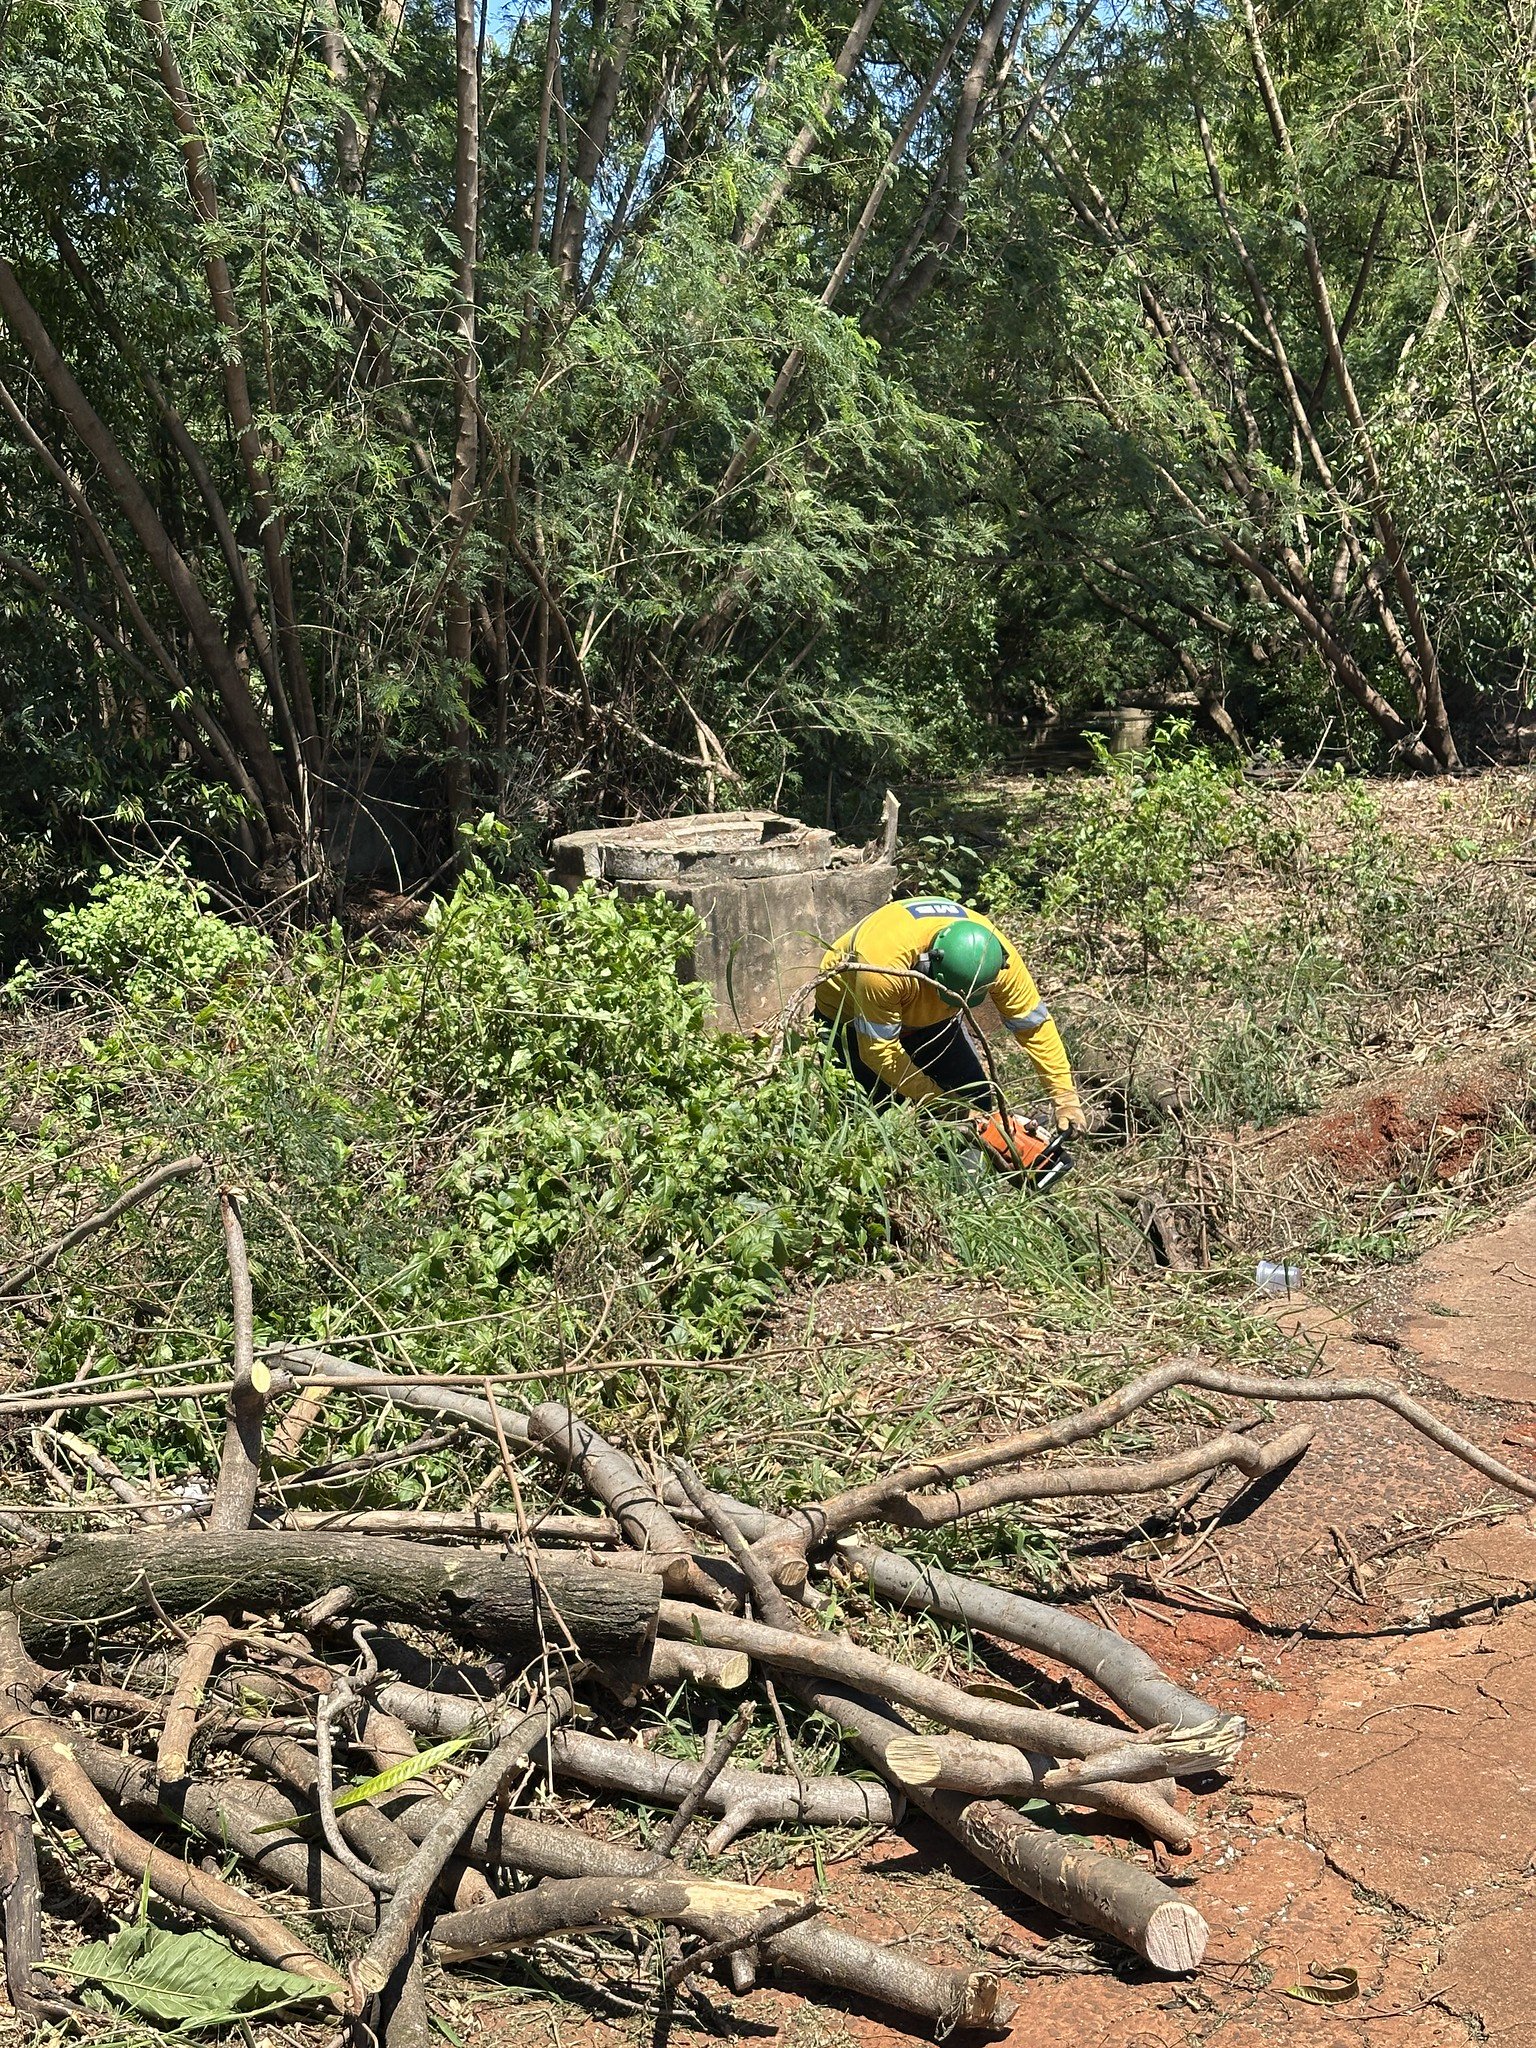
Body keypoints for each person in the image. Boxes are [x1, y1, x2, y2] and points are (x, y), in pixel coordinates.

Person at [815, 897, 1087, 1146]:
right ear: (927, 968)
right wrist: (941, 1101)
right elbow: (878, 1051)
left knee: (977, 1104)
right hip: (850, 1021)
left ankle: (970, 1188)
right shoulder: (884, 965)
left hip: (928, 1022)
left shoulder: (996, 956)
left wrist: (1065, 1097)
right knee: (876, 1122)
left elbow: (1033, 1025)